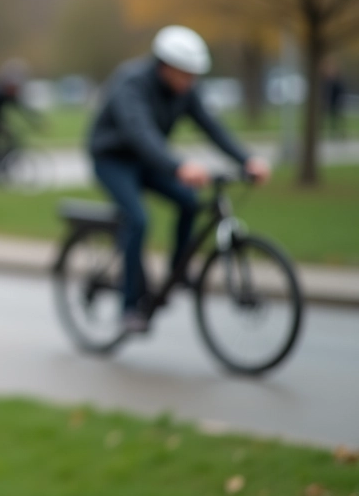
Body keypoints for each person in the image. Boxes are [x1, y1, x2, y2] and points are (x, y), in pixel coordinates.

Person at [88, 26, 270, 333]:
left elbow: (212, 126)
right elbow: (139, 132)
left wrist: (246, 159)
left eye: (195, 74)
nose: (191, 80)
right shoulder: (131, 84)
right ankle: (129, 307)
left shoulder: (184, 91)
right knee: (138, 219)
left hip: (148, 161)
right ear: (165, 66)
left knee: (190, 201)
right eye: (186, 73)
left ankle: (178, 269)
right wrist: (177, 166)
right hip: (113, 160)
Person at [0, 59, 39, 179]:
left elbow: (21, 108)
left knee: (8, 136)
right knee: (5, 136)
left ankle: (1, 162)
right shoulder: (1, 92)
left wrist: (36, 122)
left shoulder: (6, 93)